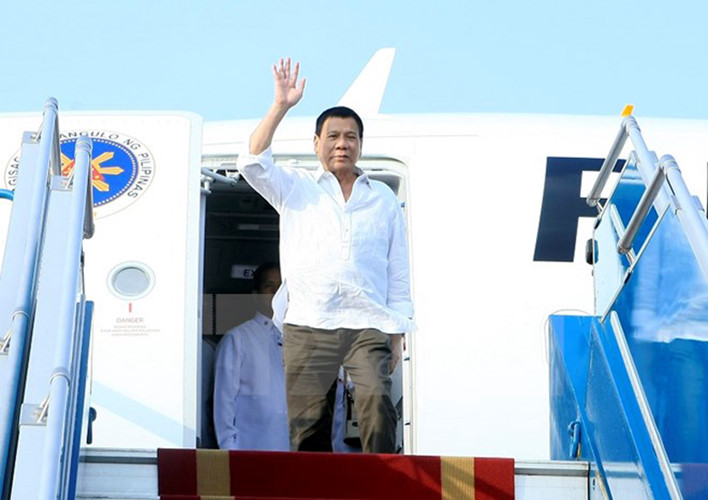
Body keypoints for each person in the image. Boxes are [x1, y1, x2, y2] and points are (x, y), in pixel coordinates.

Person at [236, 58, 415, 453]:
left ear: (361, 145)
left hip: (367, 322)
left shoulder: (383, 198)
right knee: (308, 428)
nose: (342, 144)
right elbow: (251, 163)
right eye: (333, 136)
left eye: (351, 137)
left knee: (376, 406)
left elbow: (397, 270)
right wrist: (280, 106)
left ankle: (379, 481)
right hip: (308, 321)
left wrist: (397, 333)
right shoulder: (296, 186)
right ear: (316, 143)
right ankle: (313, 485)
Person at [213, 262, 289, 451]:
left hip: (294, 452)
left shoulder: (301, 340)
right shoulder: (238, 339)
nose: (275, 292)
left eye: (281, 287)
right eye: (269, 286)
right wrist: (230, 452)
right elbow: (224, 401)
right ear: (256, 295)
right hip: (252, 450)